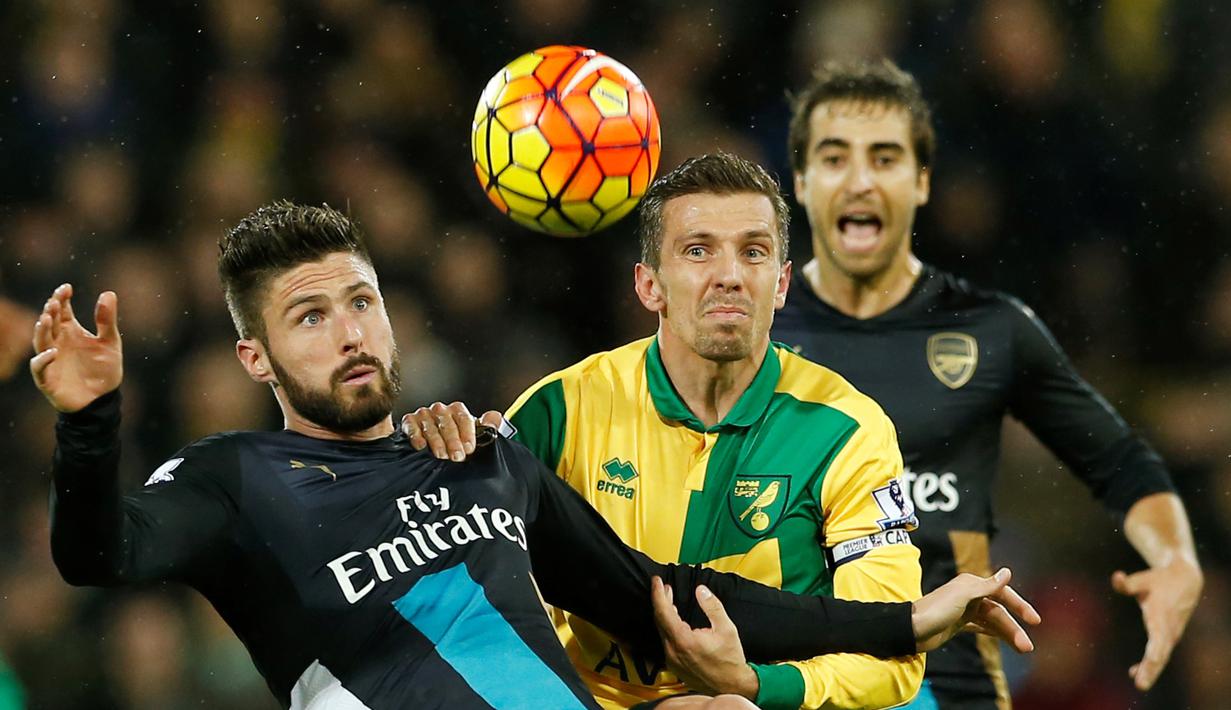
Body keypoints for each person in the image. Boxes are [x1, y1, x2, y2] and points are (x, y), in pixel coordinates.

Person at [30, 202, 1037, 710]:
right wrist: (89, 422)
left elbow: (663, 594)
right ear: (254, 355)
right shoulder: (233, 478)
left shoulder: (486, 461)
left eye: (360, 302)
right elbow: (98, 554)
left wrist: (905, 613)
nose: (347, 333)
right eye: (308, 316)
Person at [408, 154, 949, 710]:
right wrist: (426, 458)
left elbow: (890, 661)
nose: (730, 276)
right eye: (698, 250)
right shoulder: (562, 408)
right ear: (649, 285)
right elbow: (462, 599)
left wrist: (753, 685)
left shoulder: (847, 429)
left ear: (782, 282)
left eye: (754, 252)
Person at [773, 58, 1202, 708]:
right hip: (791, 679)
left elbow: (1120, 463)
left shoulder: (989, 329)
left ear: (920, 181)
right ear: (801, 182)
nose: (859, 181)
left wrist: (1174, 561)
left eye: (884, 158)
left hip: (948, 685)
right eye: (835, 158)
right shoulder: (749, 335)